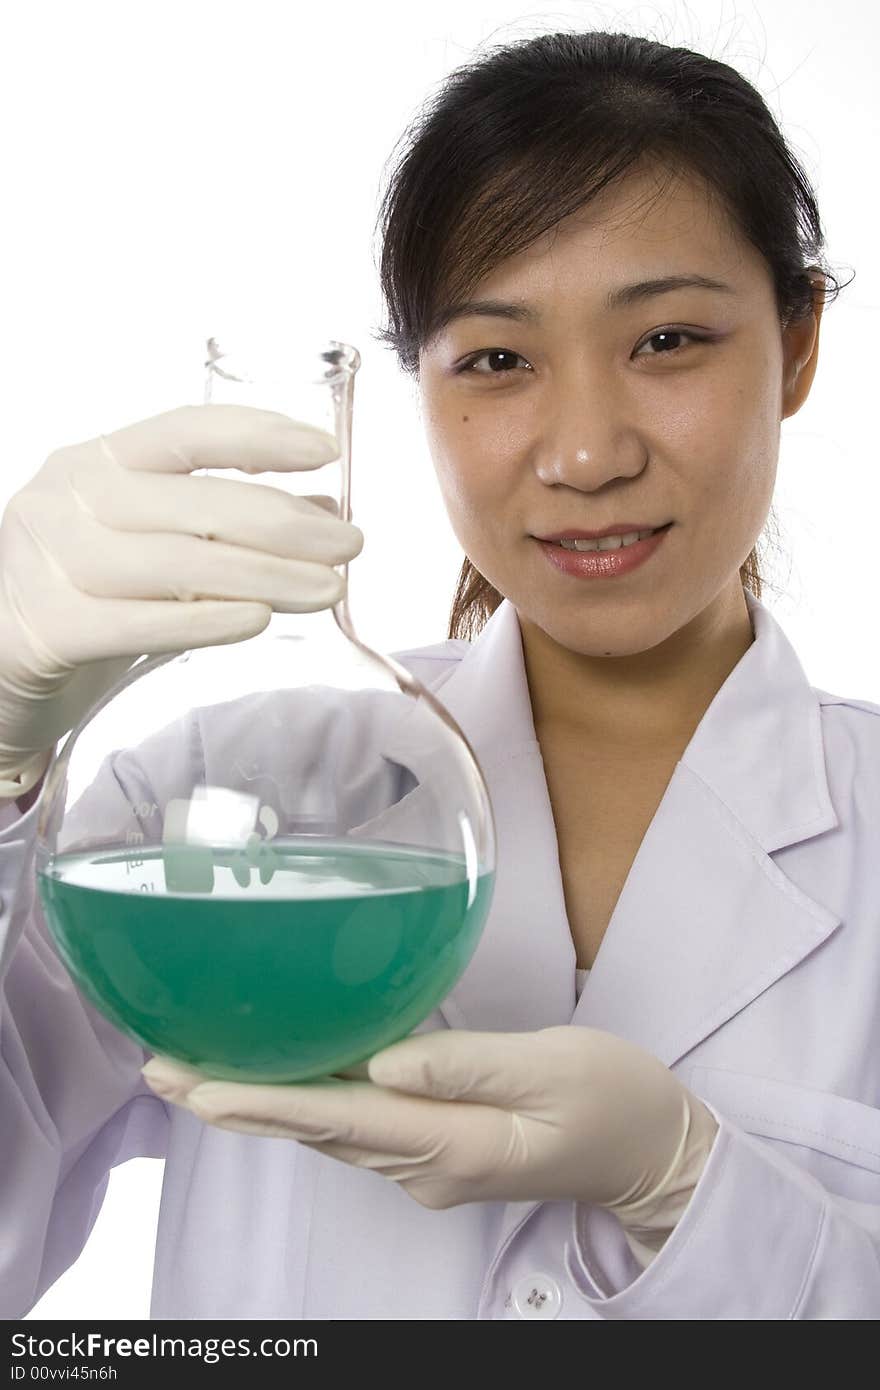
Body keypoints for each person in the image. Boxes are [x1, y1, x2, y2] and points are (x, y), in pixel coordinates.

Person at [0, 28, 877, 1322]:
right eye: (499, 359)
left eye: (669, 339)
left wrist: (692, 1188)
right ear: (417, 386)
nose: (584, 452)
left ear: (796, 344)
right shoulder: (196, 798)